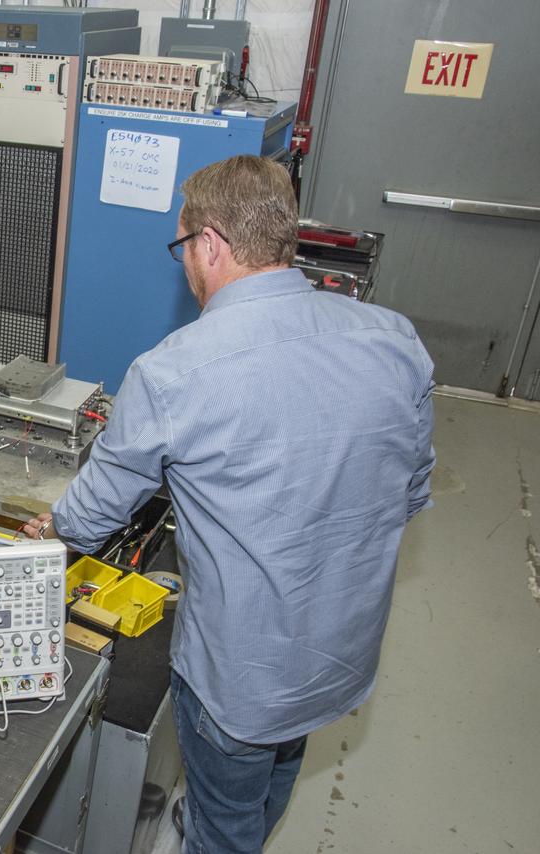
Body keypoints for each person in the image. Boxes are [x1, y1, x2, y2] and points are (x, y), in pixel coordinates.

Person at [23, 156, 435, 854]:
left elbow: (92, 518)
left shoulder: (176, 370)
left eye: (182, 246)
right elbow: (408, 494)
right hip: (338, 651)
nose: (184, 264)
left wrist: (49, 527)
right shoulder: (397, 341)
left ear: (209, 244)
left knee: (225, 822)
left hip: (240, 675)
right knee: (276, 772)